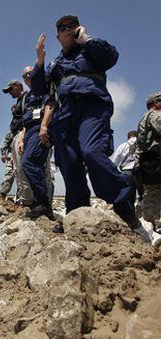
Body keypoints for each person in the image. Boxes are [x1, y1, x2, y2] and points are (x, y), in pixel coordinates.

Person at [31, 14, 154, 243]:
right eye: (63, 28)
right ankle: (77, 213)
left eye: (72, 26)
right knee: (70, 164)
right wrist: (39, 61)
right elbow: (39, 89)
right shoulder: (55, 64)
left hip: (93, 108)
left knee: (92, 152)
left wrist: (87, 40)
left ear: (78, 29)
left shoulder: (90, 50)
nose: (68, 29)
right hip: (65, 115)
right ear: (58, 36)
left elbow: (110, 57)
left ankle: (124, 202)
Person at [16, 66, 55, 218]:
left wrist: (44, 126)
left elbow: (50, 105)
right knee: (28, 165)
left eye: (30, 73)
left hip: (41, 128)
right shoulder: (29, 96)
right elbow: (26, 120)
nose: (28, 77)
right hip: (30, 131)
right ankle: (40, 203)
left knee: (30, 162)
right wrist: (22, 140)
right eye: (25, 75)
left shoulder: (43, 88)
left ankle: (44, 204)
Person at [2, 80, 35, 206]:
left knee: (22, 169)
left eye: (10, 89)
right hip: (17, 135)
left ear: (18, 86)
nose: (9, 93)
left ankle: (26, 202)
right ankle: (23, 200)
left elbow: (27, 118)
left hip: (23, 134)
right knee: (17, 170)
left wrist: (22, 137)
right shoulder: (19, 101)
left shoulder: (27, 97)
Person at [135, 92, 161, 237]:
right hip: (154, 161)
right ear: (155, 102)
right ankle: (148, 226)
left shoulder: (146, 117)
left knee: (151, 193)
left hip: (148, 161)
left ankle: (146, 221)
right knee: (154, 193)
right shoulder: (155, 115)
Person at [111, 131, 142, 208]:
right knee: (144, 196)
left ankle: (131, 217)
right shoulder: (143, 145)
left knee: (128, 199)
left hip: (127, 173)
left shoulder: (123, 146)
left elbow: (114, 163)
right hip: (142, 174)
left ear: (128, 137)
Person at [0, 130, 15, 200]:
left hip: (25, 155)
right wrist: (3, 153)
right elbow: (5, 141)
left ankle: (22, 200)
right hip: (12, 154)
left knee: (23, 179)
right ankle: (2, 195)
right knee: (9, 176)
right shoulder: (14, 130)